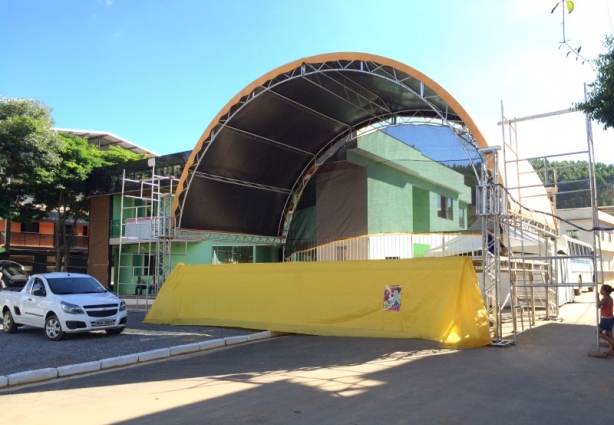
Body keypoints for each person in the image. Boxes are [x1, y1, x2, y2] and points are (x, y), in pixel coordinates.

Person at [589, 284, 614, 358]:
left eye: (601, 289)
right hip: (609, 318)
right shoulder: (607, 298)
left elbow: (598, 306)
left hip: (607, 319)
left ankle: (613, 343)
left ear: (605, 291)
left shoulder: (605, 298)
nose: (600, 291)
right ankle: (611, 350)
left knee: (598, 332)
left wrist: (597, 297)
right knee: (609, 334)